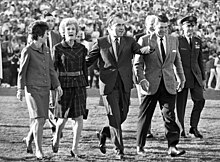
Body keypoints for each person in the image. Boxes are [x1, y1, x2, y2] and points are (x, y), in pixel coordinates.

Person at [86, 12, 150, 160]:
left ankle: (105, 133)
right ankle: (119, 150)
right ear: (110, 27)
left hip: (125, 84)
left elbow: (138, 49)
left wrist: (147, 50)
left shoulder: (129, 40)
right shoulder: (101, 42)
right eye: (118, 25)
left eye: (123, 25)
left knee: (123, 115)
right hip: (108, 85)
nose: (122, 28)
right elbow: (88, 60)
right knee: (114, 117)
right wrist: (74, 67)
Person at [133, 14, 186, 157]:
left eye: (165, 27)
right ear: (154, 26)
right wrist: (142, 79)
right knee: (145, 117)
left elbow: (177, 61)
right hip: (150, 85)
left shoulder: (173, 40)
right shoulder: (144, 40)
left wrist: (181, 77)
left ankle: (172, 146)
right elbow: (137, 64)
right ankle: (140, 146)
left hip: (168, 84)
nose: (162, 30)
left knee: (169, 115)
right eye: (160, 27)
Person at [16, 20, 63, 160]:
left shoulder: (47, 49)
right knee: (40, 119)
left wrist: (57, 85)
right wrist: (20, 89)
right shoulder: (28, 50)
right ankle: (39, 150)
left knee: (40, 119)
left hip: (45, 89)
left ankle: (29, 140)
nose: (48, 35)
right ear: (40, 35)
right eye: (46, 33)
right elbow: (22, 72)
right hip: (32, 90)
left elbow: (51, 70)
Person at [52, 18, 89, 158]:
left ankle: (75, 148)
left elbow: (84, 67)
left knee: (79, 117)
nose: (71, 31)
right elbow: (53, 69)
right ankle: (56, 136)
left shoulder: (82, 48)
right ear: (63, 32)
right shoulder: (58, 48)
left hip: (79, 85)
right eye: (68, 29)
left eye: (73, 29)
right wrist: (56, 86)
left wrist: (86, 83)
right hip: (64, 85)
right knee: (62, 118)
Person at [176, 16, 206, 138]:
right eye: (188, 26)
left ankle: (194, 127)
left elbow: (200, 61)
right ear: (182, 27)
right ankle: (180, 129)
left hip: (196, 77)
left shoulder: (197, 40)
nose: (190, 28)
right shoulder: (177, 40)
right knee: (180, 104)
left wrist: (203, 78)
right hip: (182, 76)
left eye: (192, 26)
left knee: (200, 100)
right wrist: (177, 77)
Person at [133, 14, 157, 138]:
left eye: (155, 23)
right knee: (144, 103)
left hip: (157, 75)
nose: (153, 26)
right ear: (146, 25)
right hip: (142, 75)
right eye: (151, 23)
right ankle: (146, 130)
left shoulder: (160, 37)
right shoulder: (138, 38)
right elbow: (136, 59)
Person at [43, 12, 62, 135]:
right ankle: (52, 123)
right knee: (46, 99)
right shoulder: (38, 35)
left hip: (54, 71)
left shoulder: (57, 35)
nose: (50, 22)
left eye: (52, 20)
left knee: (54, 99)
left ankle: (54, 123)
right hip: (42, 71)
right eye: (48, 20)